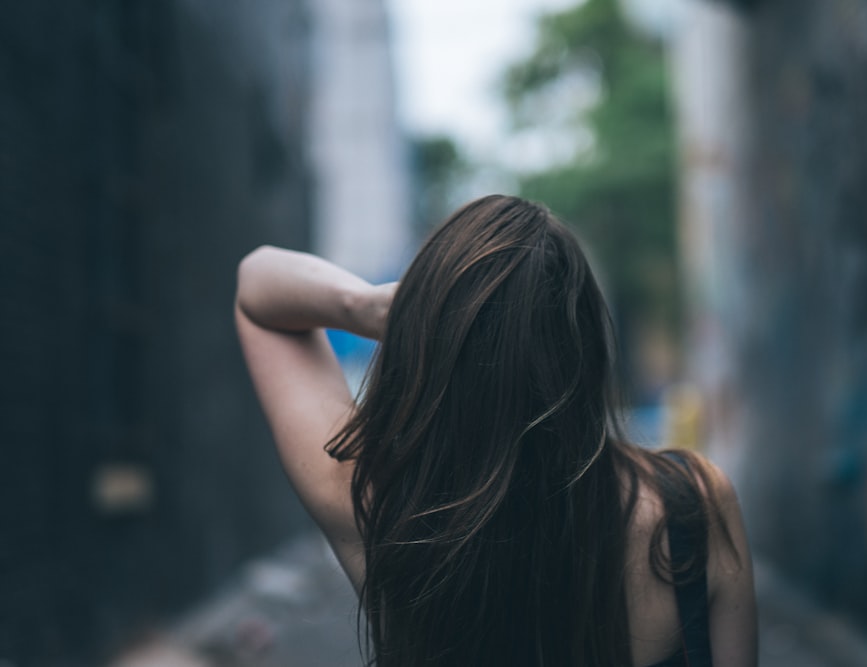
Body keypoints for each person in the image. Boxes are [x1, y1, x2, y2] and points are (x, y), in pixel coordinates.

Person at [235, 194, 757, 667]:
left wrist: (370, 306)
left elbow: (256, 284)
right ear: (586, 350)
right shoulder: (692, 508)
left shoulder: (375, 502)